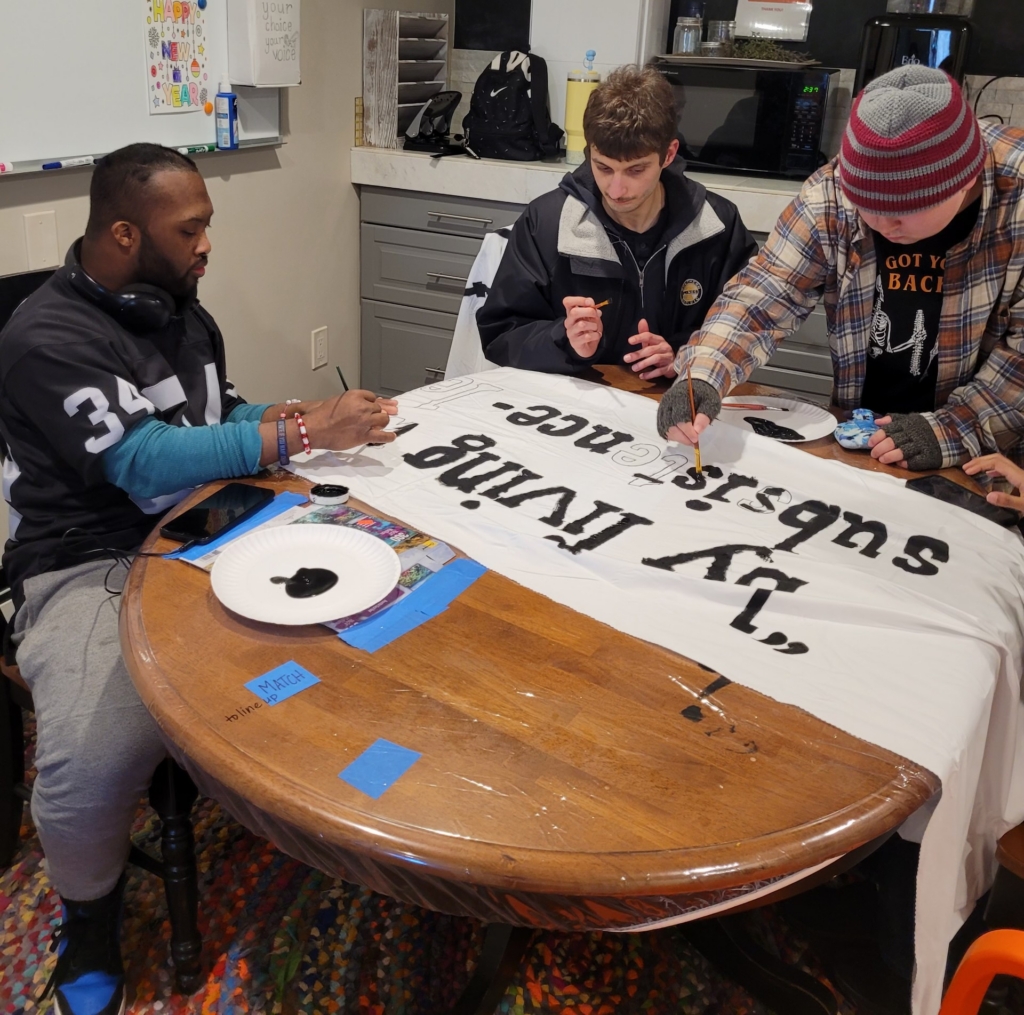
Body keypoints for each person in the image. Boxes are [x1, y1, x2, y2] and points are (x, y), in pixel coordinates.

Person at [0, 143, 396, 1015]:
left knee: (381, 592)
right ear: (122, 232)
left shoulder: (178, 307)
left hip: (205, 521)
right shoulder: (42, 336)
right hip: (89, 557)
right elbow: (142, 461)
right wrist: (297, 436)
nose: (208, 243)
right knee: (93, 756)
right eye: (193, 228)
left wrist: (308, 418)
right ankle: (90, 918)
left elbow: (215, 418)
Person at [657, 66, 1024, 474]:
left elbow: (1020, 369)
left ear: (963, 178)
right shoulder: (831, 195)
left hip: (989, 460)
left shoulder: (1018, 200)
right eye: (868, 208)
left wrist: (951, 430)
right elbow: (765, 295)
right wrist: (703, 374)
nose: (881, 226)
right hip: (866, 440)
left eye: (903, 213)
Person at [477, 65, 758, 380]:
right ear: (589, 151)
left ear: (668, 155)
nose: (616, 190)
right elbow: (502, 335)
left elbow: (751, 323)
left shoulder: (717, 225)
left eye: (636, 170)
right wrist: (565, 341)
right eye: (603, 167)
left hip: (676, 403)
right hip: (573, 408)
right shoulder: (546, 222)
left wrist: (684, 353)